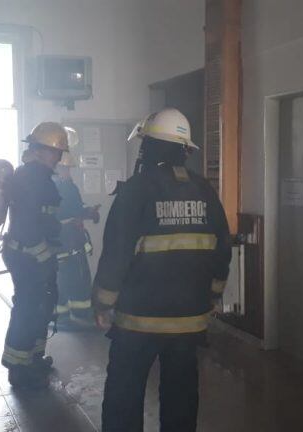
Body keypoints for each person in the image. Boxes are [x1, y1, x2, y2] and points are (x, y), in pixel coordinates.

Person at [93, 108, 232, 432]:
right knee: (181, 394)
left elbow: (116, 253)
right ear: (186, 150)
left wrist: (102, 303)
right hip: (188, 320)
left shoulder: (135, 190)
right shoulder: (205, 191)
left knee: (124, 394)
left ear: (149, 146)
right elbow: (222, 251)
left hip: (137, 321)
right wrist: (212, 296)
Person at [0, 121, 69, 389]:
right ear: (38, 150)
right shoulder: (31, 178)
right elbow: (28, 225)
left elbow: (44, 220)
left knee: (41, 307)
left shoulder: (37, 176)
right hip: (30, 257)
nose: (58, 157)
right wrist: (44, 257)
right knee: (28, 310)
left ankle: (33, 358)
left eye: (60, 152)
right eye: (54, 151)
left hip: (37, 255)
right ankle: (18, 368)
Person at [53, 137, 100, 329]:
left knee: (79, 277)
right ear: (56, 168)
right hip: (62, 243)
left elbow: (77, 206)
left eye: (69, 169)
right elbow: (59, 214)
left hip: (74, 242)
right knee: (62, 280)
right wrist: (77, 217)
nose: (68, 172)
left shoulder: (69, 186)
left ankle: (81, 311)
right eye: (65, 168)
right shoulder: (51, 187)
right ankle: (61, 316)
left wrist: (89, 211)